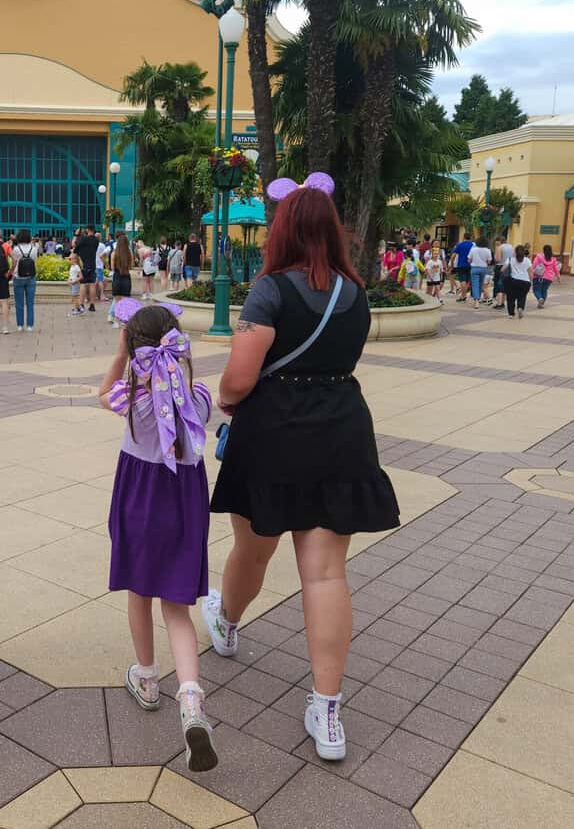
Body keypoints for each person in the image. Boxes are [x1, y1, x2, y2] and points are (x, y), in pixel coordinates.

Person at [206, 178, 399, 763]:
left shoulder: (269, 291)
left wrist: (225, 399)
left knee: (253, 548)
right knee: (324, 573)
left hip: (274, 434)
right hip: (340, 427)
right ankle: (328, 709)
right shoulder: (355, 293)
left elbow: (239, 378)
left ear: (283, 229)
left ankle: (228, 623)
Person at [99, 303, 217, 772]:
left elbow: (102, 391)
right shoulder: (199, 397)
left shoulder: (132, 399)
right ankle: (191, 703)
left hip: (138, 502)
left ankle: (148, 679)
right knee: (178, 608)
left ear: (132, 349)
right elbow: (200, 394)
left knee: (139, 593)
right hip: (184, 505)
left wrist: (120, 353)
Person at [10, 228, 39, 332]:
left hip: (18, 277)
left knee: (19, 303)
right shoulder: (34, 249)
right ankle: (30, 325)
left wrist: (11, 272)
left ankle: (20, 325)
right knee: (30, 303)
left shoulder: (16, 249)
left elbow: (13, 263)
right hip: (31, 277)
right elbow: (35, 263)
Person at [108, 234, 134, 327]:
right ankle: (124, 320)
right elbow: (132, 266)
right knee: (125, 301)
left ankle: (116, 321)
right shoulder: (129, 252)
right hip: (126, 277)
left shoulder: (114, 253)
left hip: (117, 277)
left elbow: (112, 267)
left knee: (117, 301)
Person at [75, 227, 101, 312]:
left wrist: (77, 234)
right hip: (92, 264)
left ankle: (82, 304)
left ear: (88, 230)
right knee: (92, 284)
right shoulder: (96, 241)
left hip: (84, 264)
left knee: (83, 284)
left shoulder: (84, 239)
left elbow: (75, 247)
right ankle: (92, 305)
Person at [503, 244, 532, 319]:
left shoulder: (510, 259)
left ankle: (511, 314)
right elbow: (530, 272)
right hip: (525, 282)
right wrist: (531, 281)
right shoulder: (527, 260)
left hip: (513, 281)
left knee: (511, 298)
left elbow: (502, 269)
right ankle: (520, 308)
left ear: (515, 252)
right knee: (522, 297)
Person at [467, 237, 493, 309]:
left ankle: (476, 301)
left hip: (474, 268)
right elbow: (489, 261)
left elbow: (469, 260)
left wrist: (472, 262)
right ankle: (478, 299)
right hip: (483, 268)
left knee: (475, 285)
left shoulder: (473, 249)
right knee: (480, 284)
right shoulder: (488, 250)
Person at [492, 235, 514, 310]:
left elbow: (498, 259)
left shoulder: (500, 247)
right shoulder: (511, 247)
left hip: (500, 267)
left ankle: (499, 303)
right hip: (509, 267)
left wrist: (494, 259)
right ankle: (503, 302)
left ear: (499, 241)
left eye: (496, 242)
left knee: (499, 285)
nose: (496, 244)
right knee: (505, 286)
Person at [452, 233, 474, 302]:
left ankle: (463, 296)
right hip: (471, 265)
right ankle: (464, 295)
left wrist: (452, 264)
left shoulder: (459, 245)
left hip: (461, 265)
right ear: (470, 237)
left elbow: (453, 256)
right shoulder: (473, 245)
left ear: (463, 237)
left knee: (462, 281)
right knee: (467, 281)